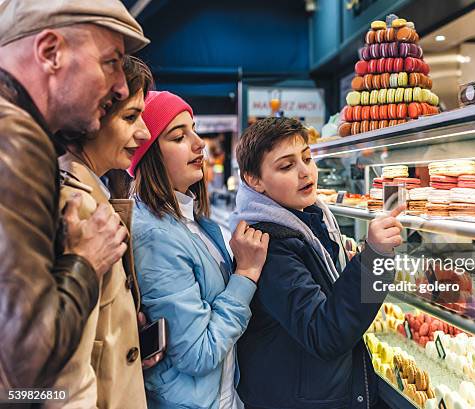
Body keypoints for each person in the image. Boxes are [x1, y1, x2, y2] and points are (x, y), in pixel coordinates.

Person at [0, 0, 149, 397]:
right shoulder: (15, 139)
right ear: (50, 52)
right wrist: (86, 261)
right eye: (110, 62)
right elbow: (27, 371)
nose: (120, 85)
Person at [229, 117, 404, 409]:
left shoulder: (313, 218)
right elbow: (325, 334)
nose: (305, 172)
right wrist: (374, 259)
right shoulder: (267, 244)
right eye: (286, 166)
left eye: (307, 159)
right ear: (254, 180)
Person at [129, 91, 269, 409]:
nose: (199, 143)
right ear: (148, 154)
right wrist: (246, 273)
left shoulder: (190, 221)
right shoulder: (155, 236)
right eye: (179, 136)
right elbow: (198, 354)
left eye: (193, 128)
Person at [50, 56, 154, 409]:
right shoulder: (74, 207)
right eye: (130, 117)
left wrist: (127, 334)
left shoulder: (99, 193)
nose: (144, 133)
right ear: (88, 119)